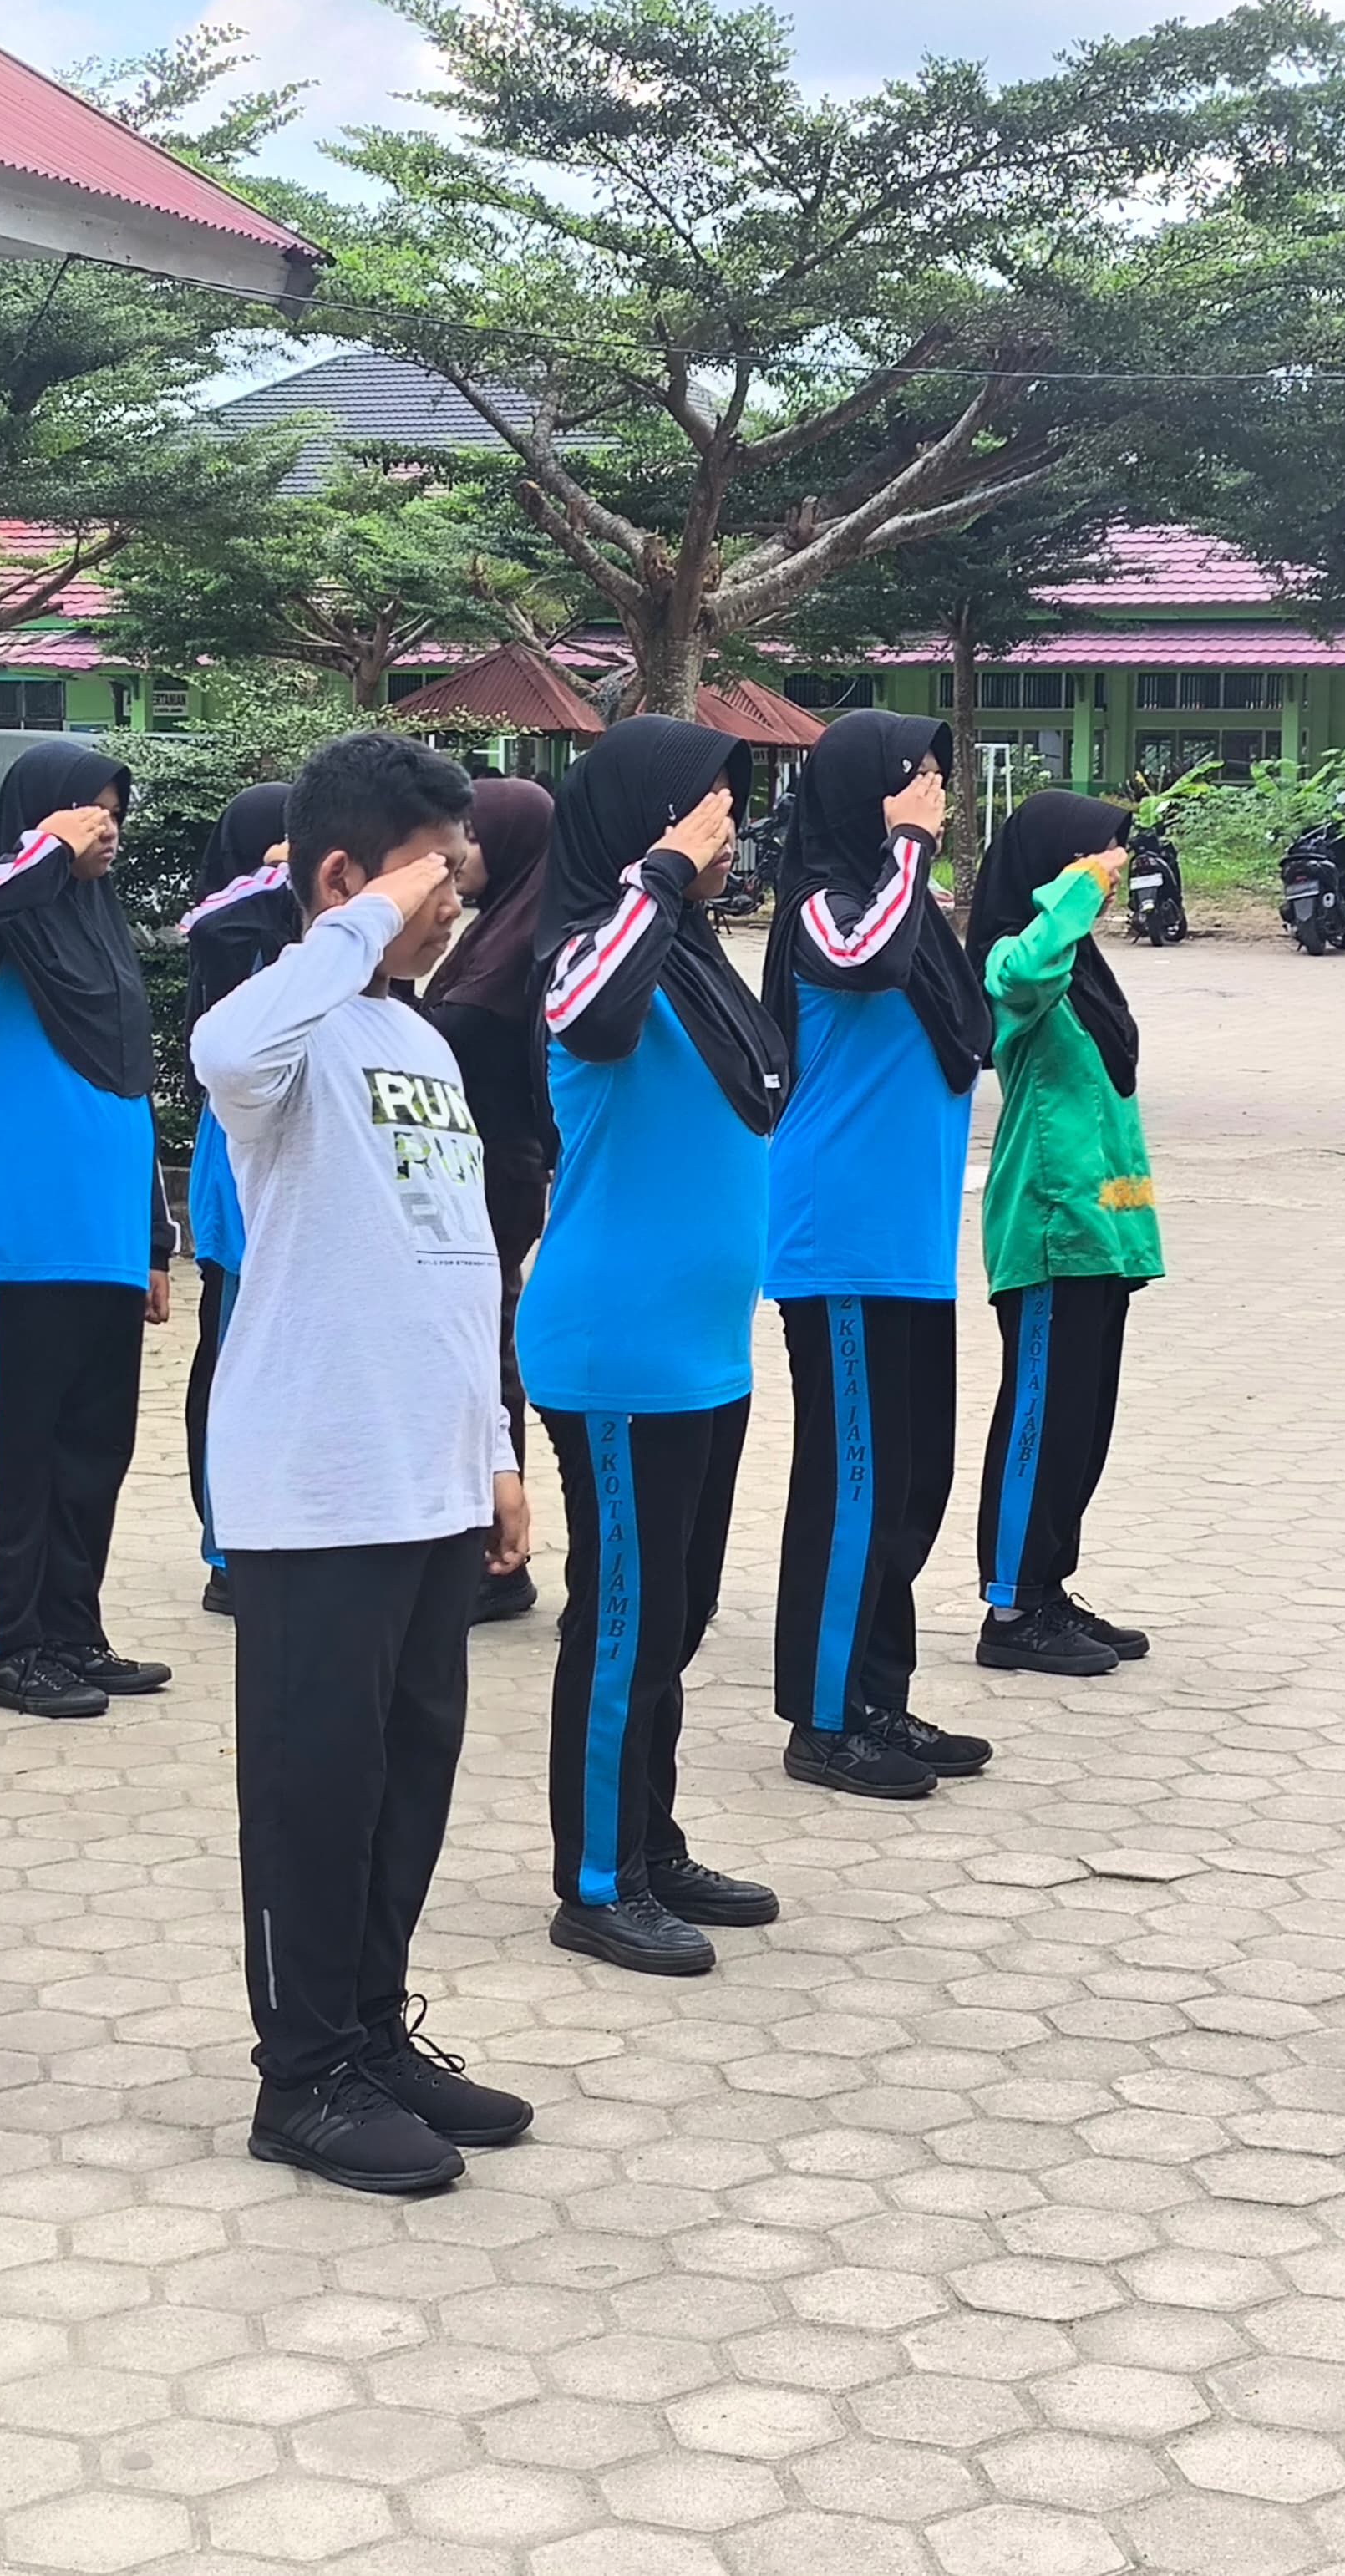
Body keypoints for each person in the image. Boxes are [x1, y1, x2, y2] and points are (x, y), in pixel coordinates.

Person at [192, 731, 536, 2196]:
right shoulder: (283, 1028)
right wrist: (352, 912)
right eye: (438, 870)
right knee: (313, 1793)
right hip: (316, 1481)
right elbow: (225, 1046)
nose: (458, 897)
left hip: (427, 1478)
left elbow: (461, 1265)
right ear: (346, 877)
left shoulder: (416, 1034)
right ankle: (302, 2074)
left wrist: (499, 1451)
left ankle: (373, 2031)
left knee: (407, 1779)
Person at [519, 718, 790, 1977]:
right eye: (702, 807)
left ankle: (652, 1836)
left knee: (672, 1613)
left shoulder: (685, 954)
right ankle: (595, 1876)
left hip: (702, 1351)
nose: (725, 829)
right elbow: (580, 1009)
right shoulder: (593, 945)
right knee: (622, 1619)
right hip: (617, 1350)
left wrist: (676, 891)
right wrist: (663, 871)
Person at [0, 744, 176, 1722]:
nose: (103, 830)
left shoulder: (99, 935)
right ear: (37, 819)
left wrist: (151, 1242)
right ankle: (15, 1644)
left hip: (103, 1238)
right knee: (16, 1446)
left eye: (113, 814)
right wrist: (45, 853)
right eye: (86, 812)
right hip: (20, 1233)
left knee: (91, 1446)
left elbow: (130, 1087)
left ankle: (73, 1628)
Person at [759, 711, 996, 1801]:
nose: (935, 795)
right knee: (851, 1483)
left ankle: (875, 1691)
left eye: (940, 780)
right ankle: (823, 1715)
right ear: (868, 793)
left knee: (908, 1479)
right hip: (843, 1242)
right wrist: (909, 845)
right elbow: (866, 954)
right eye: (917, 778)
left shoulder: (901, 902)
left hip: (906, 1244)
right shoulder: (825, 902)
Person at [962, 793, 1163, 1676]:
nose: (1112, 874)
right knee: (1039, 1419)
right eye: (1096, 857)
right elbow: (1021, 976)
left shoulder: (1082, 967)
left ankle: (1046, 1585)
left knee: (1081, 1424)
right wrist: (1077, 888)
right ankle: (1009, 1608)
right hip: (1047, 1225)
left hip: (1103, 1229)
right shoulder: (1016, 958)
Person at [424, 775, 558, 1626]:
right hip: (478, 1167)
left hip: (494, 1174)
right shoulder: (497, 930)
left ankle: (491, 1551)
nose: (456, 852)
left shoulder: (522, 944)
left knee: (484, 1347)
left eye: (469, 835)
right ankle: (475, 1537)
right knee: (474, 1344)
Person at [178, 782, 302, 1621]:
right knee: (233, 1355)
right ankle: (227, 1548)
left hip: (299, 1179)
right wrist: (279, 876)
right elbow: (211, 922)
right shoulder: (230, 931)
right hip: (235, 1175)